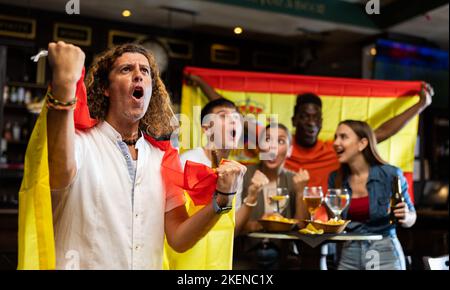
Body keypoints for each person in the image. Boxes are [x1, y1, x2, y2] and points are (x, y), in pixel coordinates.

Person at [46, 41, 246, 269]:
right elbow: (58, 174)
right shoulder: (81, 142)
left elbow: (179, 239)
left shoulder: (162, 158)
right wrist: (64, 86)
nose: (138, 75)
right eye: (126, 69)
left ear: (152, 89)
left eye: (145, 71)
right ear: (106, 88)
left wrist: (222, 199)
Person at [328, 120, 416, 270]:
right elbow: (335, 222)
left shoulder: (390, 174)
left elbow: (411, 217)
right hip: (350, 251)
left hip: (384, 250)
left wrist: (406, 216)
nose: (336, 142)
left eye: (343, 137)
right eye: (336, 137)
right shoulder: (335, 178)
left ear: (362, 143)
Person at [235, 123, 310, 269]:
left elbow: (302, 226)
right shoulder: (242, 175)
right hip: (246, 254)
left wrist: (301, 192)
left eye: (280, 141)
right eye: (267, 140)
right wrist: (258, 224)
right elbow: (230, 226)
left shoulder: (295, 179)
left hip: (283, 255)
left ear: (289, 150)